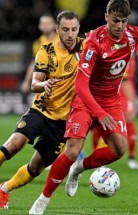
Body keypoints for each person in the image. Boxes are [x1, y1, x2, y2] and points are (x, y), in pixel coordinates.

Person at [29, 0, 138, 214]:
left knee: (119, 150)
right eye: (115, 21)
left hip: (111, 101)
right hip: (86, 101)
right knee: (72, 151)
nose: (120, 26)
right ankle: (42, 200)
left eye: (124, 21)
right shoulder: (94, 42)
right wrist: (99, 112)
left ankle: (79, 169)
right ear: (106, 17)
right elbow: (80, 85)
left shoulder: (132, 34)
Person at [0, 10, 84, 209]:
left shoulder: (87, 47)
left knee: (36, 168)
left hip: (64, 123)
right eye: (65, 30)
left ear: (78, 30)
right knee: (13, 145)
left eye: (74, 30)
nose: (70, 34)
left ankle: (3, 190)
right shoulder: (46, 50)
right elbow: (34, 83)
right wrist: (43, 84)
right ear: (57, 29)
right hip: (41, 111)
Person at [91, 44, 138, 169]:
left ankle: (131, 157)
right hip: (109, 82)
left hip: (126, 83)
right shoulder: (107, 40)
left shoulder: (134, 40)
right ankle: (97, 158)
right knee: (101, 120)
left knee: (129, 118)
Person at [20, 14, 58, 93]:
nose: (46, 26)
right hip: (46, 81)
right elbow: (34, 62)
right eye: (43, 24)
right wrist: (27, 81)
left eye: (48, 23)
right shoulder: (38, 43)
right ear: (39, 26)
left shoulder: (62, 40)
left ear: (54, 25)